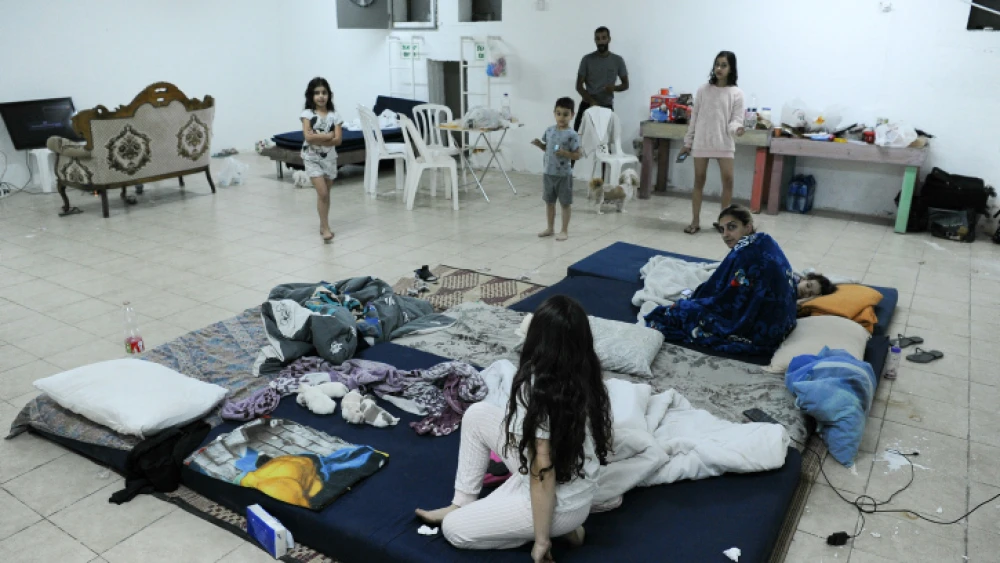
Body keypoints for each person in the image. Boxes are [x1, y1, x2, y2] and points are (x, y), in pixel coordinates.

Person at [416, 295, 614, 561]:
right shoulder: (588, 372)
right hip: (575, 488)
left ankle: (554, 529)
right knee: (477, 414)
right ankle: (461, 502)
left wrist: (542, 541)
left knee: (454, 530)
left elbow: (542, 472)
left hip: (560, 504)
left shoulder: (535, 387)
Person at [644, 205, 797, 356]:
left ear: (748, 227)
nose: (725, 235)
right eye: (722, 229)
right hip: (785, 322)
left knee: (677, 312)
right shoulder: (765, 240)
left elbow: (723, 295)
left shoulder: (744, 253)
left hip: (764, 331)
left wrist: (697, 300)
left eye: (732, 227)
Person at [679, 51, 745, 234]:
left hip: (724, 143)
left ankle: (724, 223)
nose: (719, 68)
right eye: (717, 64)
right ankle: (695, 221)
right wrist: (688, 142)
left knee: (728, 181)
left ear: (731, 68)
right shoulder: (703, 90)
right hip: (702, 142)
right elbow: (694, 118)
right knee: (699, 180)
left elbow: (735, 120)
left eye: (724, 65)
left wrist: (737, 129)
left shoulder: (737, 93)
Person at [531, 98, 581, 241]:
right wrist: (539, 144)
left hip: (563, 175)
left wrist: (566, 153)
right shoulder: (549, 131)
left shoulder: (572, 135)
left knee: (565, 203)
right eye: (558, 114)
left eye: (565, 114)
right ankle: (550, 228)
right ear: (554, 113)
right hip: (548, 173)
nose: (561, 117)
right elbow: (547, 149)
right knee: (549, 202)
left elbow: (577, 155)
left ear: (572, 115)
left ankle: (564, 230)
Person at [300, 77, 343, 242]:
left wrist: (319, 137)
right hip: (312, 159)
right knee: (322, 192)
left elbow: (338, 140)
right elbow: (308, 138)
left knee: (325, 195)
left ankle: (323, 223)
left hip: (329, 159)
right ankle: (326, 228)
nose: (321, 96)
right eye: (317, 93)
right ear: (311, 96)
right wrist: (328, 135)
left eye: (324, 93)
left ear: (329, 95)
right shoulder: (307, 115)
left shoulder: (335, 116)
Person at [574, 26, 629, 133]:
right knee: (578, 135)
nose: (601, 42)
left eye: (604, 38)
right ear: (595, 40)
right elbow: (579, 86)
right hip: (587, 105)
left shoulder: (618, 60)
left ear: (609, 39)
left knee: (604, 139)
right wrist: (592, 101)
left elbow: (625, 84)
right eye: (598, 39)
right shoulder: (587, 60)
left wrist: (614, 88)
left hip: (606, 106)